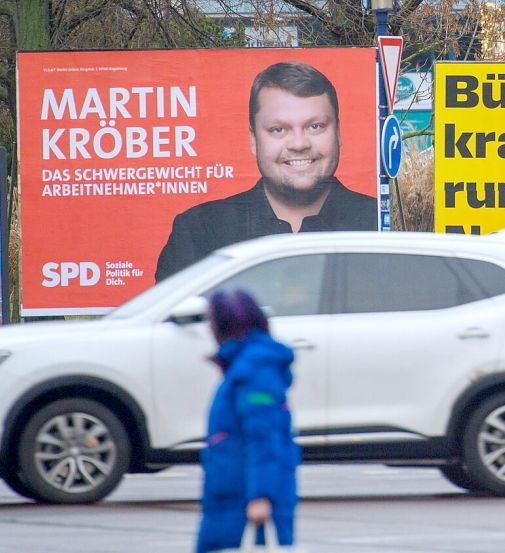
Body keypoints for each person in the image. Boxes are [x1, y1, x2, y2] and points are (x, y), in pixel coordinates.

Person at [156, 61, 378, 281]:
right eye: (278, 129)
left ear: (338, 133)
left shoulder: (378, 224)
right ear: (254, 139)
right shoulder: (200, 230)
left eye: (315, 126)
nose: (299, 144)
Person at [196, 289, 300, 553]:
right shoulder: (246, 366)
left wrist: (261, 496)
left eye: (212, 321)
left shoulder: (255, 371)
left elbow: (264, 436)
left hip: (243, 502)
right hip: (230, 498)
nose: (209, 328)